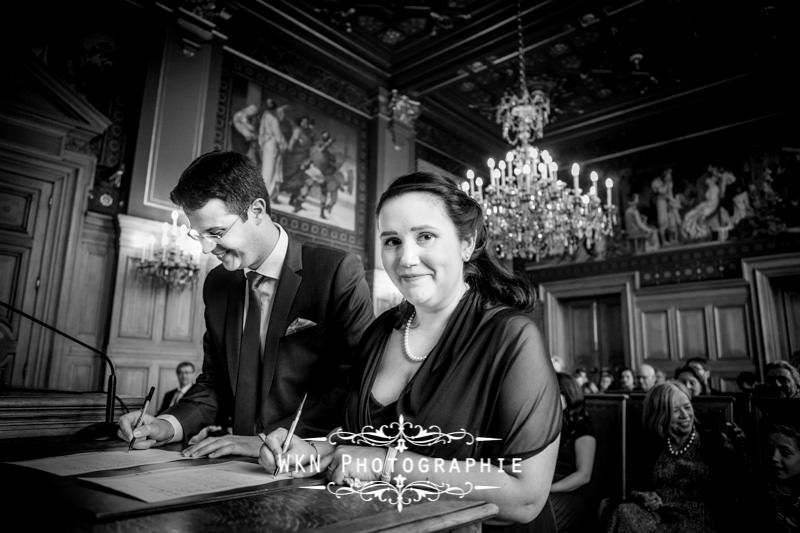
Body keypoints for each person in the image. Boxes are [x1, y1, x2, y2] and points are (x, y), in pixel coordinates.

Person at [258, 171, 562, 531]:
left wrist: (388, 463)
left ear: (467, 243)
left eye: (426, 237)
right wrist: (309, 451)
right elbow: (360, 442)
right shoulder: (380, 332)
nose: (406, 258)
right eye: (392, 241)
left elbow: (525, 498)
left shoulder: (511, 337)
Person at [116, 151, 375, 458]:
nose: (205, 248)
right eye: (197, 235)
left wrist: (268, 440)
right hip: (231, 464)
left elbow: (355, 383)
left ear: (256, 210)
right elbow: (214, 382)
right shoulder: (217, 284)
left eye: (216, 233)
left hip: (308, 461)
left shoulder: (335, 272)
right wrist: (167, 424)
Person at [604, 382, 752, 532]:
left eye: (687, 407)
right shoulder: (652, 445)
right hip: (659, 515)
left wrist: (739, 452)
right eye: (676, 410)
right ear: (660, 415)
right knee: (623, 512)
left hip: (698, 520)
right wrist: (643, 496)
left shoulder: (713, 441)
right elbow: (633, 485)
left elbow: (740, 483)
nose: (685, 415)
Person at [550, 372, 597, 532]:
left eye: (552, 392)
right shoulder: (548, 423)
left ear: (568, 395)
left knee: (533, 514)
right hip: (545, 487)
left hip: (571, 493)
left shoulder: (582, 427)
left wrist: (548, 489)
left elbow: (583, 476)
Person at [258, 98, 287, 201]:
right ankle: (266, 192)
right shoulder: (273, 119)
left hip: (266, 143)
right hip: (272, 144)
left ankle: (264, 191)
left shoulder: (265, 116)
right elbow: (278, 135)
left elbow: (261, 131)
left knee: (266, 167)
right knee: (270, 169)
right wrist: (282, 145)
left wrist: (261, 142)